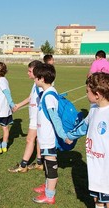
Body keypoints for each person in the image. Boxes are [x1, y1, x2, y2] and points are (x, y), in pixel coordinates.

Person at [67, 72, 109, 208]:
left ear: (97, 94)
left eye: (87, 92)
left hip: (105, 169)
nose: (86, 95)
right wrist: (70, 137)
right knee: (97, 199)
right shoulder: (93, 110)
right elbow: (83, 127)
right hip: (95, 167)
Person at [32, 63, 71, 205]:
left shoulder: (49, 96)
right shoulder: (46, 93)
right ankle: (47, 186)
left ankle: (50, 195)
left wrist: (63, 135)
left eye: (35, 77)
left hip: (48, 138)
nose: (34, 79)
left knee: (50, 165)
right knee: (47, 165)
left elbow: (55, 118)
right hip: (44, 138)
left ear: (41, 78)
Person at [8, 60, 44, 173]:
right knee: (38, 140)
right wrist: (18, 105)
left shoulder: (40, 86)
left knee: (29, 139)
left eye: (29, 71)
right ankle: (39, 163)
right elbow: (30, 98)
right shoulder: (36, 83)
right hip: (35, 117)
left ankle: (23, 165)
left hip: (37, 117)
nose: (27, 73)